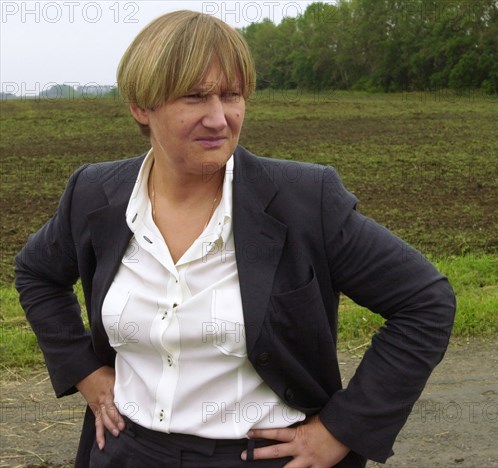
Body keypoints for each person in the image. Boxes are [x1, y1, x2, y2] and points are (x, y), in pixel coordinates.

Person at [15, 10, 456, 468]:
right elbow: (36, 273)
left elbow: (425, 303)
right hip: (128, 451)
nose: (219, 118)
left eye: (231, 95)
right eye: (195, 97)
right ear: (141, 107)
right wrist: (84, 370)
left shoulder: (304, 200)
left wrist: (341, 430)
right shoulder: (95, 194)